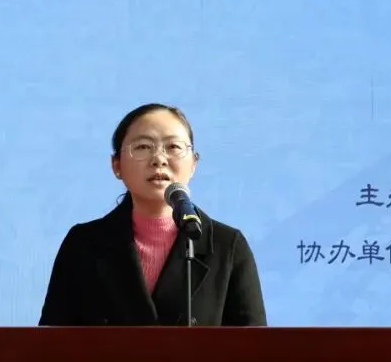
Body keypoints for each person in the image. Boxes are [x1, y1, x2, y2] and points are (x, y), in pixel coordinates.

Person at [39, 103, 267, 326]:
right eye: (142, 147)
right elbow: (51, 343)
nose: (159, 159)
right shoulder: (83, 245)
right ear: (116, 165)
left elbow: (255, 346)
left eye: (173, 147)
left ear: (194, 164)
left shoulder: (227, 246)